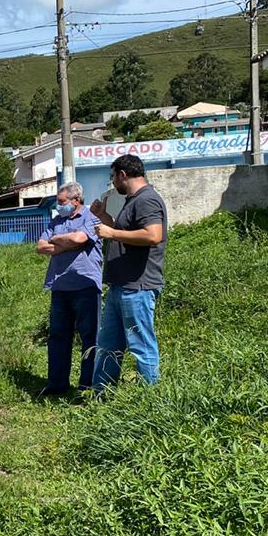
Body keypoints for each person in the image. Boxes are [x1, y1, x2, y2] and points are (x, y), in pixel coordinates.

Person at [90, 154, 167, 390]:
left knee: (141, 345)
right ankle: (101, 397)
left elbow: (153, 235)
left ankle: (151, 401)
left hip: (138, 287)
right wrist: (103, 218)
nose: (113, 182)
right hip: (120, 286)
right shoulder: (133, 200)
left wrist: (111, 234)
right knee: (108, 346)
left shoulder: (146, 200)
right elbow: (125, 232)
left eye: (113, 177)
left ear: (123, 174)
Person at [35, 182, 102, 396]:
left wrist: (57, 240)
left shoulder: (91, 217)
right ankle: (57, 384)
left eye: (62, 201)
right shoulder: (57, 220)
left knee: (89, 337)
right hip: (60, 286)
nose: (58, 205)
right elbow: (40, 246)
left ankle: (87, 386)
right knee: (58, 336)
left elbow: (80, 238)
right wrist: (66, 242)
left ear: (76, 200)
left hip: (85, 286)